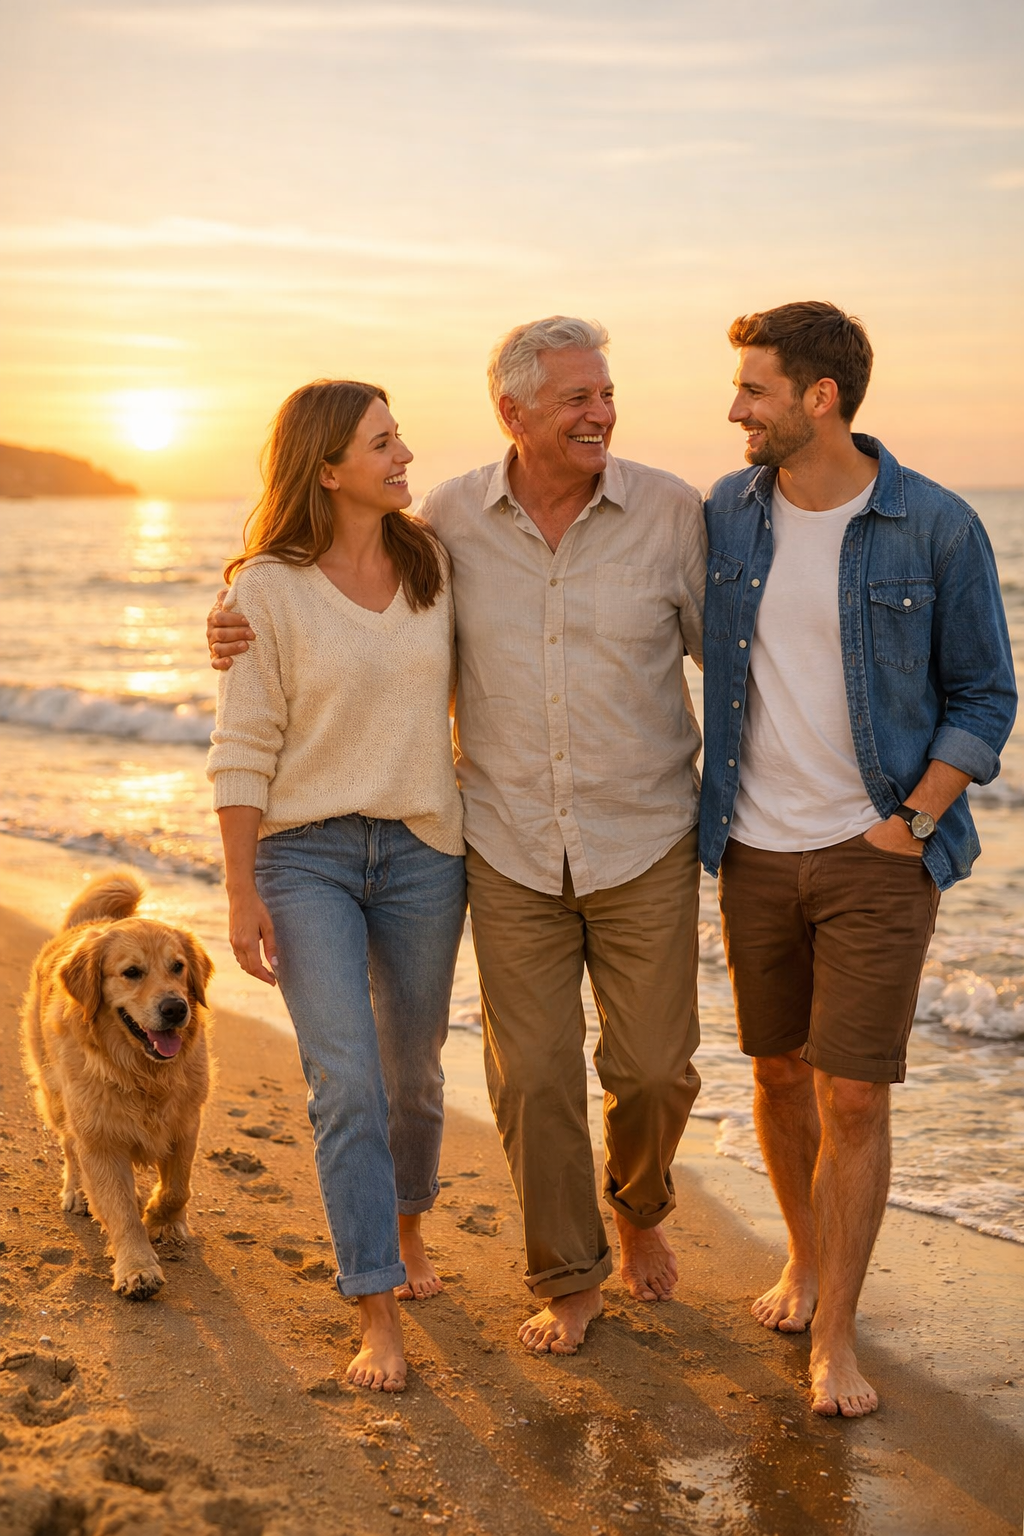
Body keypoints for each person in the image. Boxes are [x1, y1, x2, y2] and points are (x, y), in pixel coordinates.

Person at [210, 317, 708, 1357]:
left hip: (544, 843)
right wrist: (227, 616)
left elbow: (736, 656)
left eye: (604, 393)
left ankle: (601, 1209)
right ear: (512, 412)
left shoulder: (614, 521)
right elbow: (283, 666)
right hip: (420, 850)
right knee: (455, 1078)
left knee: (604, 1072)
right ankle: (489, 1288)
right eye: (574, 398)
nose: (599, 413)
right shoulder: (403, 539)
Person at [699, 301, 1017, 1417]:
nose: (734, 409)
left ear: (817, 398)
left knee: (855, 1100)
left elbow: (986, 693)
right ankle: (805, 1258)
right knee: (778, 1073)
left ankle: (835, 1333)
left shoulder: (933, 525)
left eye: (753, 389)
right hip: (750, 848)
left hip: (879, 850)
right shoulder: (724, 519)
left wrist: (915, 817)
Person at [207, 380, 466, 1394]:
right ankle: (373, 1307)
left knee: (413, 1077)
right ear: (326, 469)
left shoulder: (433, 560)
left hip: (421, 852)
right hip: (303, 856)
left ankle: (407, 1229)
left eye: (400, 438)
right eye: (383, 443)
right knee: (344, 1083)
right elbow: (242, 745)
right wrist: (239, 892)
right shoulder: (265, 590)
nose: (405, 456)